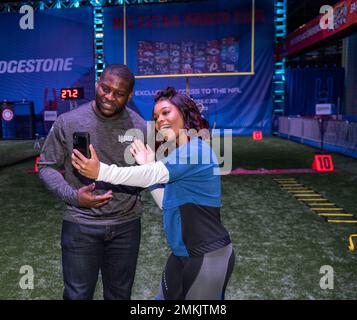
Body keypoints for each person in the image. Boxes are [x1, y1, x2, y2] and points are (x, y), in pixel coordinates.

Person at [72, 87, 235, 300]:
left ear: (185, 113)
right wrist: (150, 167)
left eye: (166, 112)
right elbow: (165, 203)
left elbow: (152, 173)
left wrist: (100, 171)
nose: (159, 120)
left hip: (208, 256)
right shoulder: (181, 154)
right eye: (156, 117)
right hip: (182, 255)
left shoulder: (197, 150)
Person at [38, 64, 147, 300]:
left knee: (120, 296)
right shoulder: (68, 122)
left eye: (119, 93)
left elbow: (149, 175)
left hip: (126, 226)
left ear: (129, 95)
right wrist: (74, 196)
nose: (109, 97)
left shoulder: (140, 127)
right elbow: (47, 167)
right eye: (105, 89)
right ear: (97, 84)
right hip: (80, 224)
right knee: (77, 295)